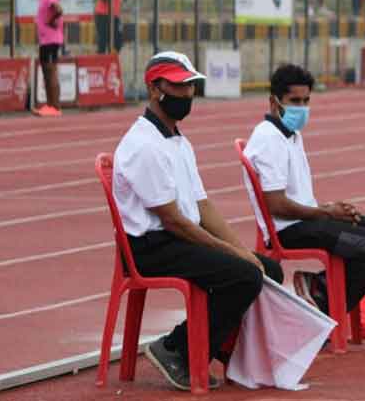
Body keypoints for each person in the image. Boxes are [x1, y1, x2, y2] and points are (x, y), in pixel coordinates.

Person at [113, 51, 282, 391]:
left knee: (270, 271)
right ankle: (176, 347)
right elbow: (174, 221)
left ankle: (220, 348)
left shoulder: (177, 141)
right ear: (153, 88)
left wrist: (240, 248)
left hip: (177, 239)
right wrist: (235, 255)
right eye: (177, 86)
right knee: (244, 275)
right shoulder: (145, 145)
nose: (187, 94)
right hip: (151, 248)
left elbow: (202, 207)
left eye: (190, 85)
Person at [243, 63, 365, 316]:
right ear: (274, 102)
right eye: (294, 100)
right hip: (289, 229)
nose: (301, 108)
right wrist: (327, 213)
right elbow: (277, 206)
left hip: (309, 219)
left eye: (306, 100)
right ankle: (327, 311)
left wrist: (331, 210)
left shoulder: (291, 133)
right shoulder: (268, 139)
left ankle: (319, 289)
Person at [35, 0, 63, 117]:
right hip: (45, 40)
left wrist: (51, 20)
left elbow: (58, 9)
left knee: (51, 71)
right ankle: (50, 105)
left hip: (51, 40)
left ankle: (55, 106)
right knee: (46, 72)